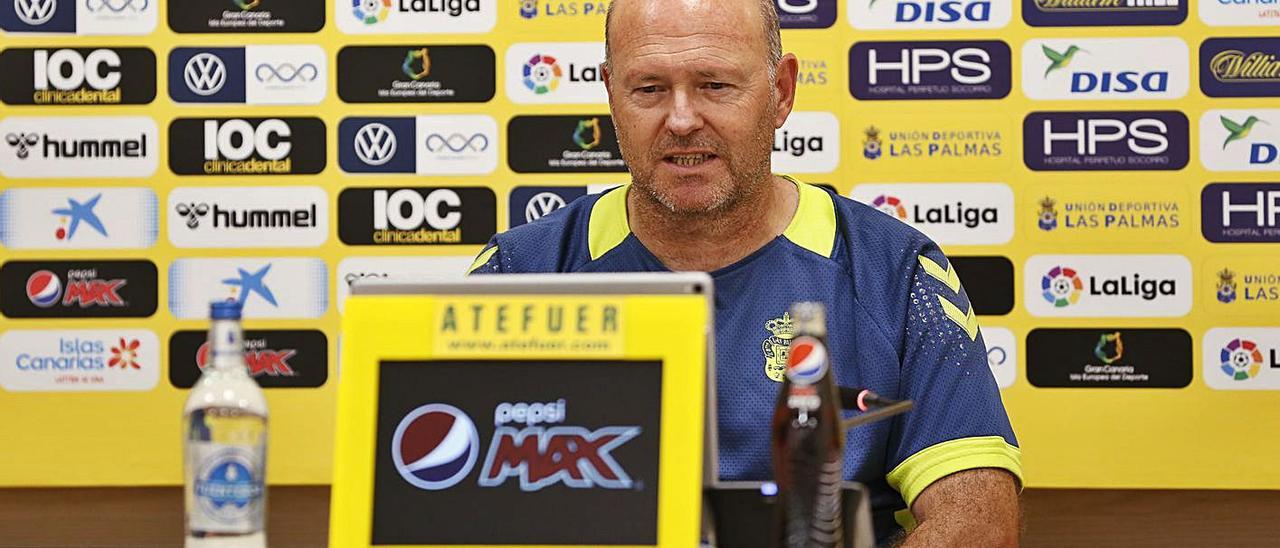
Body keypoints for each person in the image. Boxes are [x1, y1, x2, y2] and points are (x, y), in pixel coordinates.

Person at [469, 0, 1021, 544]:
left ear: (781, 92)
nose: (682, 119)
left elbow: (978, 525)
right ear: (611, 95)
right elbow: (431, 499)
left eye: (715, 84)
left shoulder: (896, 273)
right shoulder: (519, 272)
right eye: (649, 89)